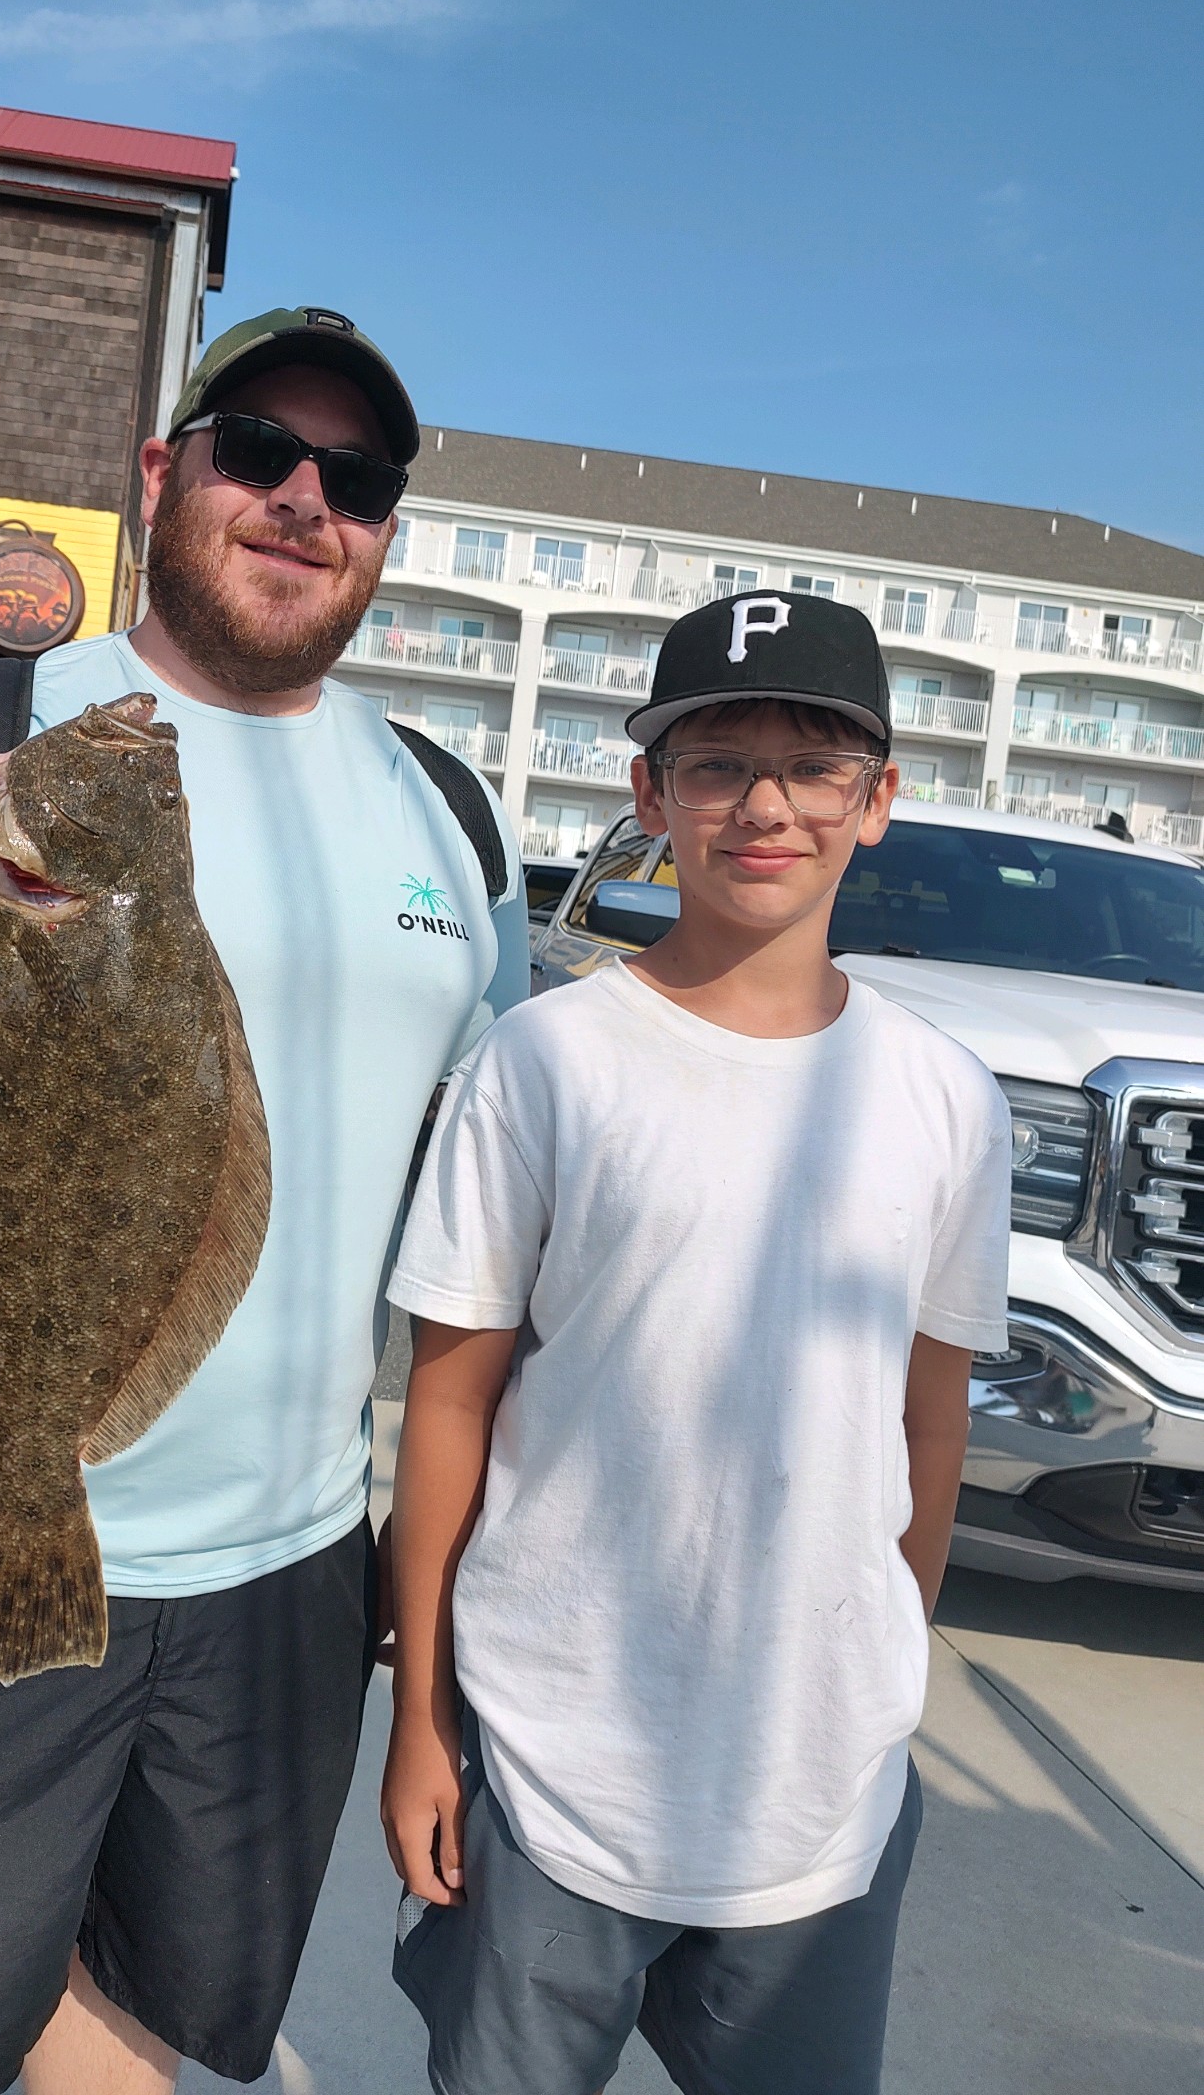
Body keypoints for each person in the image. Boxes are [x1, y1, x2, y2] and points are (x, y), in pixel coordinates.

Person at [0, 307, 528, 2095]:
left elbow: (487, 1213)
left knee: (146, 2013)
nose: (305, 500)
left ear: (387, 531)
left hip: (290, 1574)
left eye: (357, 479)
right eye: (261, 452)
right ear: (165, 474)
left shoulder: (451, 818)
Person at [381, 590, 1011, 2095]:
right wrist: (420, 1717)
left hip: (818, 1790)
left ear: (879, 799)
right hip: (549, 1757)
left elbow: (929, 1422)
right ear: (651, 794)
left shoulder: (946, 1098)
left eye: (816, 766)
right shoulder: (544, 1061)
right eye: (718, 764)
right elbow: (449, 1405)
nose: (766, 806)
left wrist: (884, 1656)